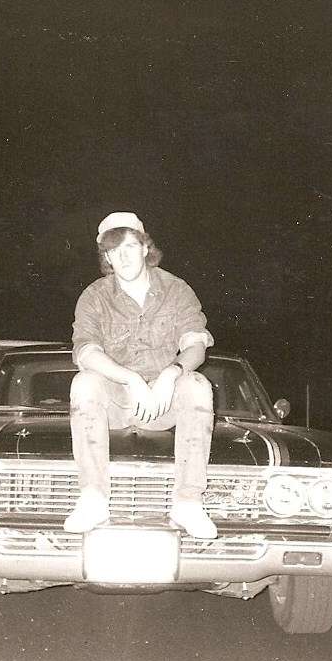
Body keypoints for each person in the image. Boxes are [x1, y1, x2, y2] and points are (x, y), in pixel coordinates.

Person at [64, 211, 218, 539]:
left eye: (131, 246)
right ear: (106, 257)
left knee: (197, 386)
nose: (124, 256)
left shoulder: (177, 290)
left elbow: (196, 344)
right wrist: (130, 379)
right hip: (118, 401)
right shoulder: (94, 296)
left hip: (164, 403)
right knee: (85, 382)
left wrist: (169, 374)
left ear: (146, 248)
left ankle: (188, 501)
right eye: (114, 250)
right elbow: (85, 351)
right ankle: (93, 497)